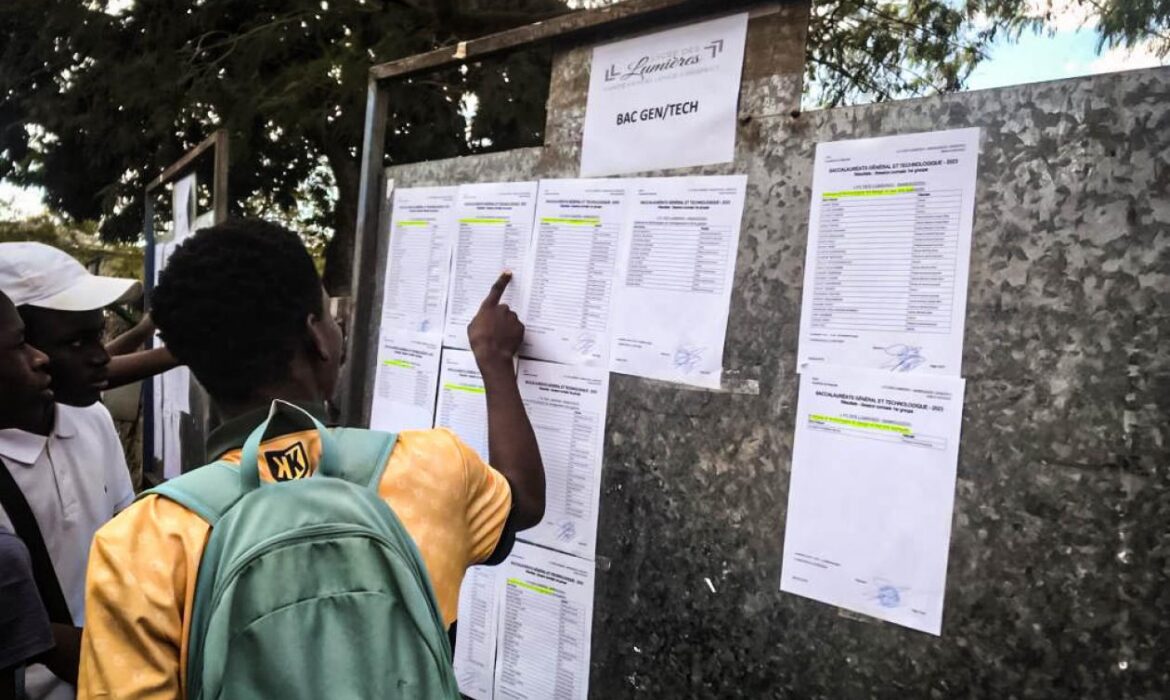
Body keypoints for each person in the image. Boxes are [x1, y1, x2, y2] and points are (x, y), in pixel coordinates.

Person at [78, 218, 545, 699]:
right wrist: (493, 360)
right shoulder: (432, 466)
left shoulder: (140, 541)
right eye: (327, 314)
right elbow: (524, 499)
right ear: (317, 338)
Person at [0, 250, 141, 700]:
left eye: (97, 336)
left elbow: (127, 541)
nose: (101, 356)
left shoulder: (93, 420)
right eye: (76, 342)